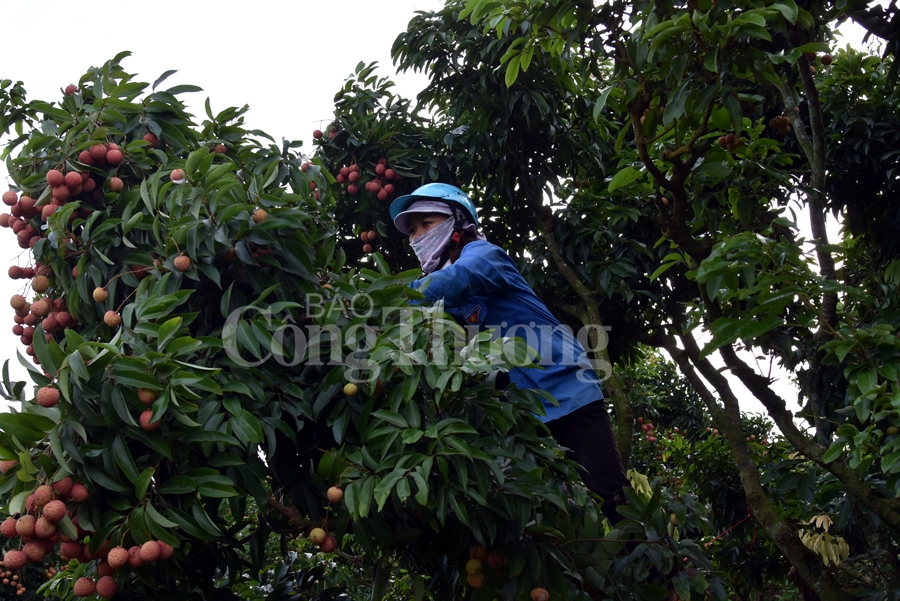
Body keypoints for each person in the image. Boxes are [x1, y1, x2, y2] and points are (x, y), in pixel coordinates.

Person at [390, 183, 631, 523]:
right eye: (412, 231)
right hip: (521, 410)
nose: (417, 237)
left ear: (457, 222)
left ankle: (654, 567)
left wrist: (387, 297)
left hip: (562, 386)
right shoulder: (443, 296)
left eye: (426, 224)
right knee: (537, 511)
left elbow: (458, 281)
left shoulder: (482, 255)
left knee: (612, 497)